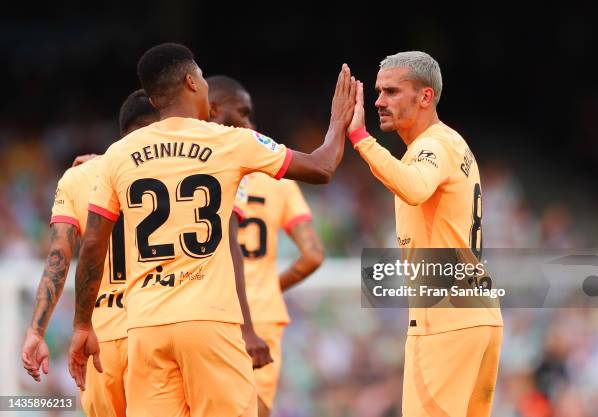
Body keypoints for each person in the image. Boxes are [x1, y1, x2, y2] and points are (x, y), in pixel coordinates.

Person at [68, 42, 357, 417]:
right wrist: (338, 121)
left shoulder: (117, 155)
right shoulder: (230, 142)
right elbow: (321, 168)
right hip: (210, 320)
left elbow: (92, 242)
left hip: (145, 326)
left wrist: (81, 323)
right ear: (191, 81)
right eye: (203, 77)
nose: (205, 85)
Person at [347, 51, 503, 417]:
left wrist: (359, 137)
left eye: (391, 92)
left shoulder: (431, 146)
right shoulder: (452, 142)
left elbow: (415, 187)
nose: (379, 102)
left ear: (425, 97)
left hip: (444, 321)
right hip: (479, 316)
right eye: (378, 92)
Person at [21, 90, 159, 417]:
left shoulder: (79, 177)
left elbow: (58, 257)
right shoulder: (179, 171)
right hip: (158, 328)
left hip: (103, 339)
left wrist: (36, 331)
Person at [207, 75, 325, 417]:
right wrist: (270, 288)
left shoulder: (195, 171)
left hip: (206, 307)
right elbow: (313, 254)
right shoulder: (278, 180)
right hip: (260, 312)